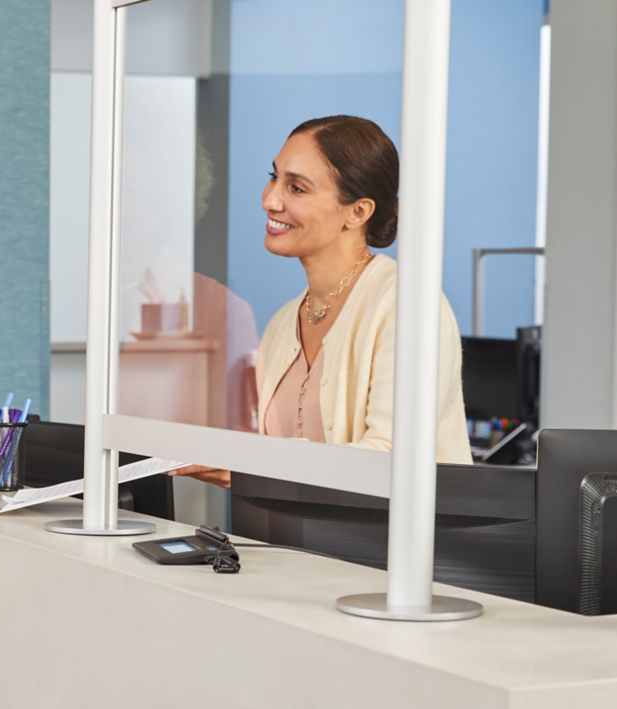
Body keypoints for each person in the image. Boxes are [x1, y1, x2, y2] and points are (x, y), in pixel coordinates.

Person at [176, 115, 472, 487]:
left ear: (358, 212)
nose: (270, 200)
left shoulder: (407, 306)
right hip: (295, 546)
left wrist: (256, 467)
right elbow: (275, 454)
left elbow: (393, 459)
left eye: (296, 188)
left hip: (387, 545)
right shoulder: (284, 323)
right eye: (274, 178)